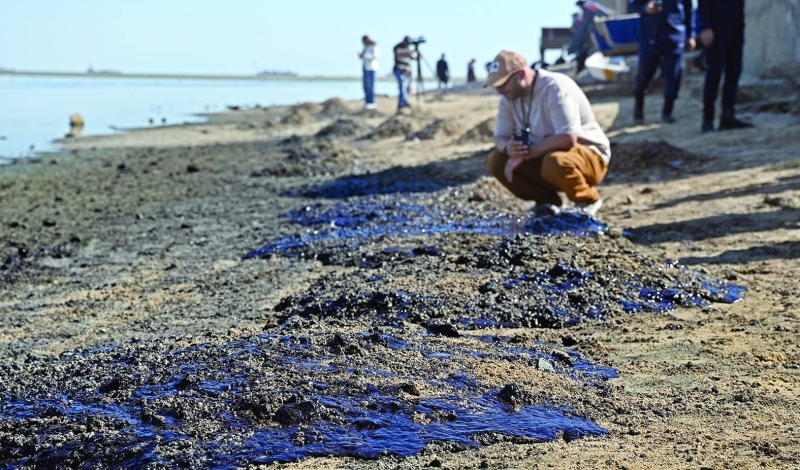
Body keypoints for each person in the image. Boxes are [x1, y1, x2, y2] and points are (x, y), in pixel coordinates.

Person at [484, 50, 611, 216]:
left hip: (589, 156)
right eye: (496, 85)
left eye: (502, 84)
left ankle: (587, 199)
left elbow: (568, 138)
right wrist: (509, 149)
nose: (499, 90)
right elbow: (500, 137)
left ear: (521, 74)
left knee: (555, 162)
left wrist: (526, 153)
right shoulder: (509, 98)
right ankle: (547, 202)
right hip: (544, 157)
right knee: (496, 161)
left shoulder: (555, 86)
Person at [629, 0, 695, 124]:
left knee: (673, 75)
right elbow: (633, 6)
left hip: (674, 37)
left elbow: (688, 9)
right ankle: (638, 110)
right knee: (644, 75)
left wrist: (690, 35)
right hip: (650, 37)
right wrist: (645, 8)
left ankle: (667, 112)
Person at [698, 0, 753, 132]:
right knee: (714, 74)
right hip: (716, 28)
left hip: (736, 27)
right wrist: (706, 27)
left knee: (734, 72)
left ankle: (728, 117)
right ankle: (708, 120)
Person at [393, 36, 417, 109]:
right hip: (398, 70)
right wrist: (411, 52)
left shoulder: (407, 48)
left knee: (406, 87)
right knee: (402, 86)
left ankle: (403, 102)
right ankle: (402, 103)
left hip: (406, 71)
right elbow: (400, 54)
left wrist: (416, 54)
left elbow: (411, 57)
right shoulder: (397, 47)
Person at [359, 35, 379, 109]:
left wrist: (365, 55)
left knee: (371, 85)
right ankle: (367, 101)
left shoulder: (374, 46)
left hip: (371, 68)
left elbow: (375, 56)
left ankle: (371, 101)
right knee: (365, 86)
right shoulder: (365, 47)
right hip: (365, 67)